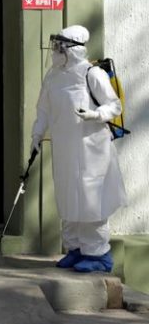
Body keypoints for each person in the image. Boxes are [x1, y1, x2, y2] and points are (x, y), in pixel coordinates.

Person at [30, 25, 127, 273]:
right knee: (67, 197)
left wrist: (95, 115)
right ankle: (75, 249)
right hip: (65, 148)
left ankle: (97, 254)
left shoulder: (91, 74)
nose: (55, 52)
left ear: (72, 50)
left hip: (91, 149)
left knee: (90, 200)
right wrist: (36, 134)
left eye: (59, 47)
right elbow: (43, 109)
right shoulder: (53, 76)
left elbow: (114, 106)